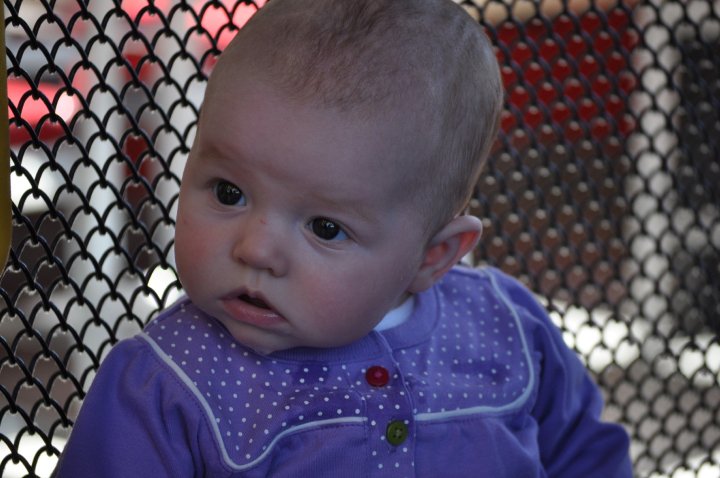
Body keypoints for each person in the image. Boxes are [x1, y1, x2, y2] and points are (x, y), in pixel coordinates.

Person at [53, 0, 633, 476]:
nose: (255, 249)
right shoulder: (166, 383)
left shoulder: (506, 331)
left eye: (325, 228)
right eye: (229, 192)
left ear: (432, 257)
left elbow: (589, 459)